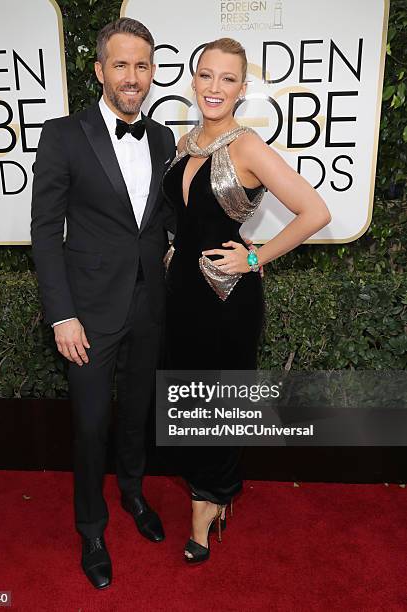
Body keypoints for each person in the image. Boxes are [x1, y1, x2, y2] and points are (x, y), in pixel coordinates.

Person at [162, 38, 331, 564]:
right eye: (206, 75)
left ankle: (208, 504)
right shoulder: (184, 141)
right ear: (194, 79)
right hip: (182, 295)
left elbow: (315, 211)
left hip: (227, 295)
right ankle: (206, 490)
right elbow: (185, 219)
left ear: (242, 88)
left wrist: (255, 258)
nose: (215, 87)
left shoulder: (249, 147)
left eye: (227, 79)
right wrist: (173, 252)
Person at [31, 18, 176, 589]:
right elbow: (45, 231)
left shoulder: (164, 138)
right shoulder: (63, 134)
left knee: (137, 412)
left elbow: (160, 217)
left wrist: (172, 248)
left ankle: (134, 495)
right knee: (91, 425)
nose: (132, 76)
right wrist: (61, 313)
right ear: (99, 70)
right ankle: (91, 527)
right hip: (86, 312)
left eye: (142, 65)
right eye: (121, 64)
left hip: (149, 303)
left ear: (152, 71)